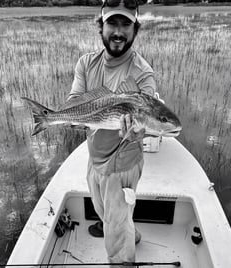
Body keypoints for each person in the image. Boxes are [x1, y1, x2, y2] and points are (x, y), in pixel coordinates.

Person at [68, 0, 157, 266]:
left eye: (126, 25)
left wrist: (139, 130)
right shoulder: (86, 63)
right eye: (112, 23)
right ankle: (128, 230)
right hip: (94, 158)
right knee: (104, 211)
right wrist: (73, 117)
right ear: (101, 26)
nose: (118, 32)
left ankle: (122, 255)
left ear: (135, 30)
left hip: (122, 166)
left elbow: (149, 111)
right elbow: (75, 101)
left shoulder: (142, 73)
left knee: (115, 239)